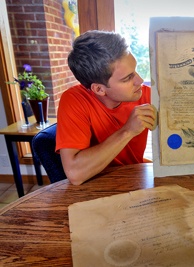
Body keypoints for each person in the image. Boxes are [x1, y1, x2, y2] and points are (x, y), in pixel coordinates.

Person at [56, 30, 157, 185]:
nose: (140, 80)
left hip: (135, 179)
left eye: (135, 71)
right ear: (99, 89)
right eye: (127, 78)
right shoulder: (74, 100)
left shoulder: (145, 95)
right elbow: (75, 174)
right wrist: (128, 131)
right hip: (95, 185)